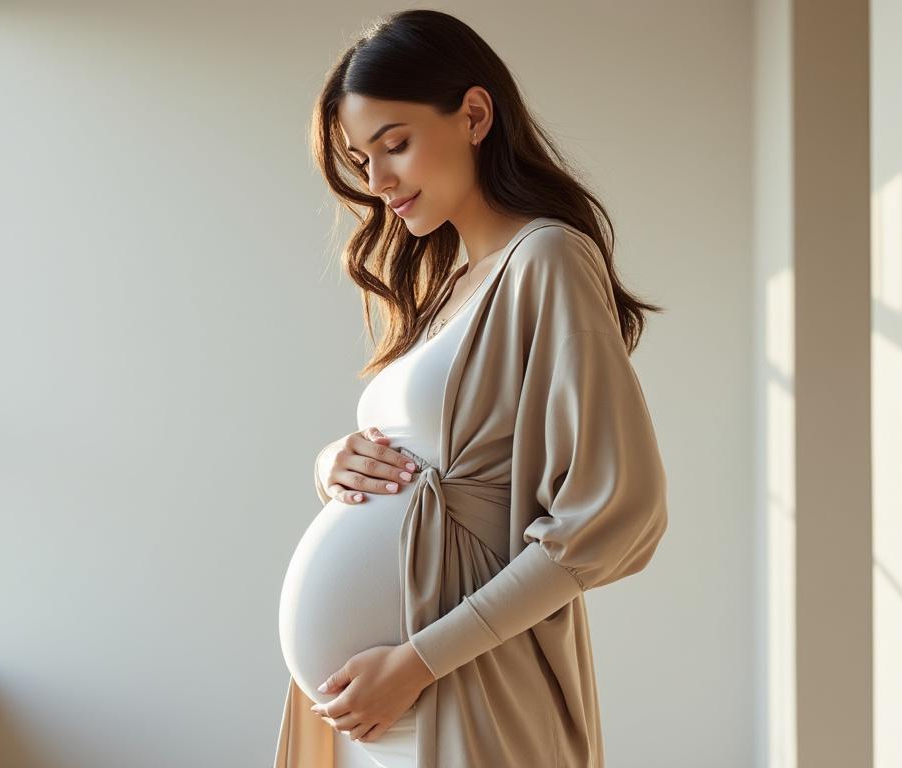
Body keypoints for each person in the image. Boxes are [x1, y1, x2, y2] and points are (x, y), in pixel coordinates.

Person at [275, 9, 670, 767]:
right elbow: (428, 458)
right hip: (375, 704)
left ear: (475, 115)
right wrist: (334, 467)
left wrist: (418, 661)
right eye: (362, 160)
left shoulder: (547, 259)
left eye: (395, 144)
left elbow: (621, 512)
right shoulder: (448, 285)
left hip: (459, 679)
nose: (379, 180)